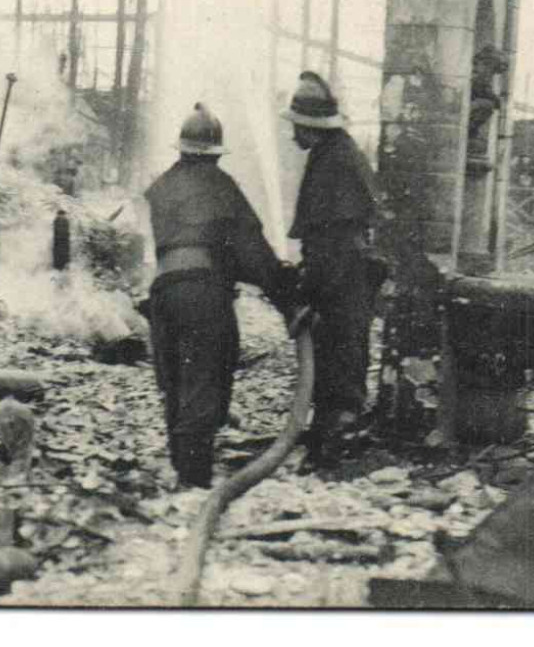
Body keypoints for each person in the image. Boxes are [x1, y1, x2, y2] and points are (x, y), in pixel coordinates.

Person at [143, 103, 283, 488]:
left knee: (174, 380)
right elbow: (251, 251)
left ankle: (180, 467)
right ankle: (195, 481)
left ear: (182, 148)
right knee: (203, 377)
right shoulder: (221, 187)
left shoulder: (161, 187)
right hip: (203, 293)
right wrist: (285, 293)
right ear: (215, 153)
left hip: (163, 291)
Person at [282, 71, 378, 469]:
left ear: (311, 127)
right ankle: (328, 442)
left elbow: (330, 241)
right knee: (340, 358)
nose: (293, 136)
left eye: (297, 128)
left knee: (339, 362)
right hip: (345, 276)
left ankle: (333, 450)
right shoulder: (337, 154)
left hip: (341, 279)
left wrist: (307, 292)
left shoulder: (333, 162)